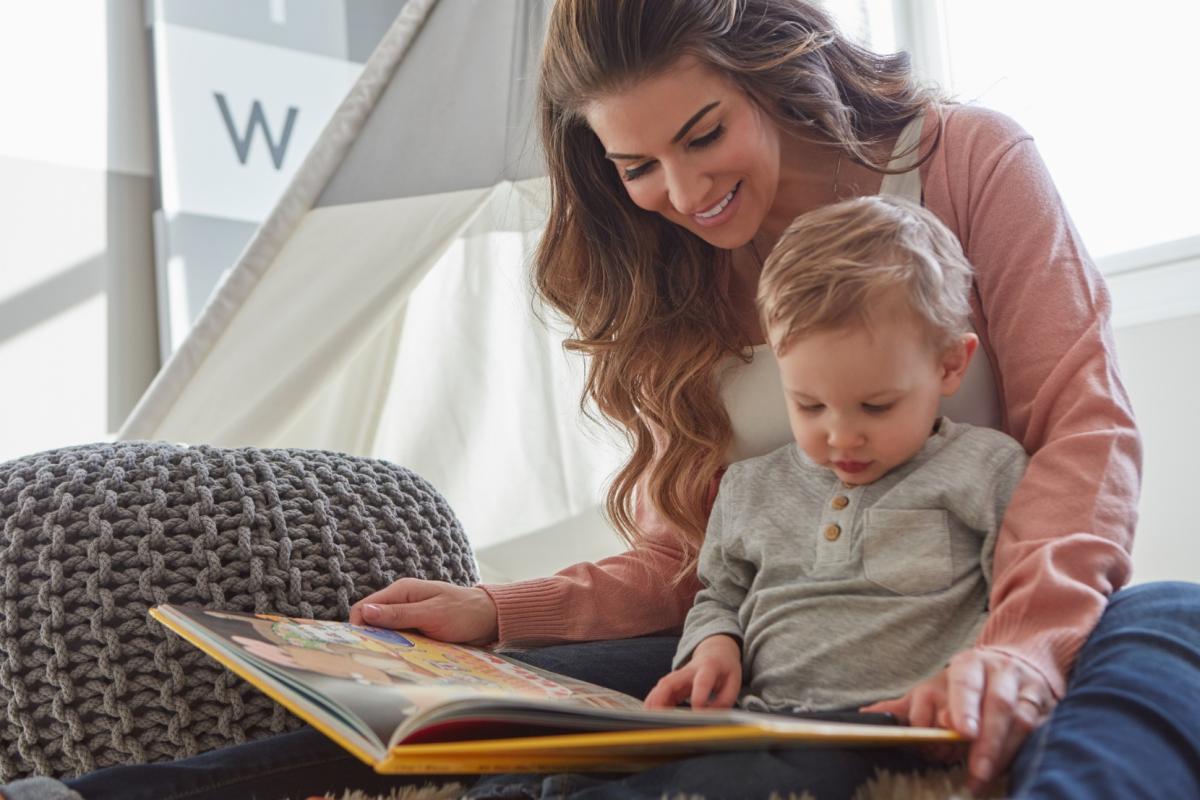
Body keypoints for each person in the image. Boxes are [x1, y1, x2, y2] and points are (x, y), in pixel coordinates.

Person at [6, 1, 1198, 798]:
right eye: (636, 166)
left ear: (771, 69)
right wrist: (497, 609)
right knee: (457, 713)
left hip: (962, 613)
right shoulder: (667, 265)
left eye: (702, 133)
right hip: (770, 637)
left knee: (1166, 628)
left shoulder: (967, 162)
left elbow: (1080, 431)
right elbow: (697, 547)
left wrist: (1021, 650)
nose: (681, 190)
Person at [642, 195, 1029, 723]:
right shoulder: (748, 487)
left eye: (876, 406)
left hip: (905, 727)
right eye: (809, 404)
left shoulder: (986, 468)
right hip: (765, 722)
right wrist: (713, 650)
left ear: (949, 365)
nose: (842, 438)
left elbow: (1019, 601)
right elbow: (719, 596)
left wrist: (965, 674)